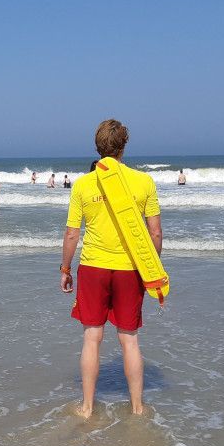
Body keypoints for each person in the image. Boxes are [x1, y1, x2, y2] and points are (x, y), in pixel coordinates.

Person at [60, 119, 162, 419]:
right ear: (124, 145)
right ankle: (138, 407)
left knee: (92, 337)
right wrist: (149, 268)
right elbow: (155, 234)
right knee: (129, 339)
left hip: (93, 267)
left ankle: (88, 407)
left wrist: (65, 268)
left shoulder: (83, 183)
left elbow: (71, 234)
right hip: (130, 269)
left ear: (97, 145)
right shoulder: (144, 182)